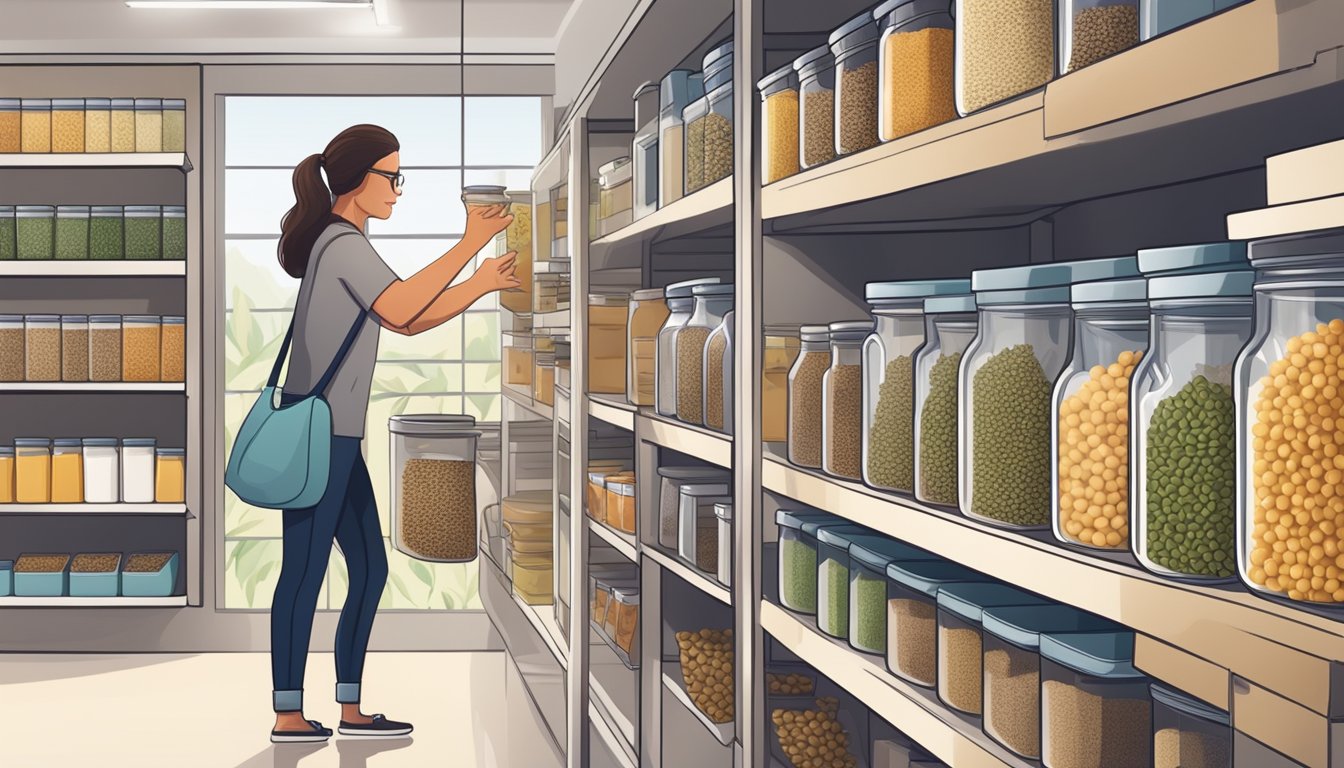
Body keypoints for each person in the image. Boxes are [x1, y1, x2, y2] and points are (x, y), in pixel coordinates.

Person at [267, 124, 519, 743]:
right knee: (301, 573)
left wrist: (480, 284)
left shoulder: (344, 241)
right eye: (392, 175)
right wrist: (469, 246)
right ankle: (287, 713)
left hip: (337, 437)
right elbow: (404, 306)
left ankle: (349, 708)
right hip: (318, 436)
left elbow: (402, 320)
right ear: (359, 180)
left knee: (370, 569)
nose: (398, 189)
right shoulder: (342, 242)